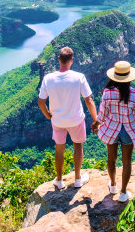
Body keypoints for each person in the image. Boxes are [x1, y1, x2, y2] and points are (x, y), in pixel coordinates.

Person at [38, 46, 98, 190]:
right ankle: (77, 179)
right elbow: (88, 100)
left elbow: (41, 103)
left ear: (59, 59)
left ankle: (59, 181)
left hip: (57, 121)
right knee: (78, 146)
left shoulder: (48, 78)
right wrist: (96, 120)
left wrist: (48, 116)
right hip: (76, 120)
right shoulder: (79, 77)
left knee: (59, 149)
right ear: (71, 60)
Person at [92, 60, 135, 202]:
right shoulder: (134, 94)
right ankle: (123, 193)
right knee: (127, 161)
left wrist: (95, 124)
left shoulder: (107, 93)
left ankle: (113, 185)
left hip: (111, 130)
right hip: (128, 131)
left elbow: (102, 114)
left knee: (111, 159)